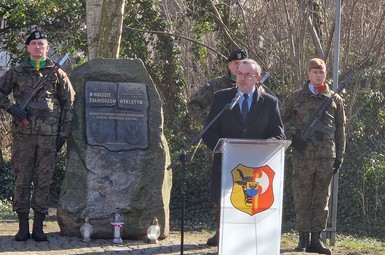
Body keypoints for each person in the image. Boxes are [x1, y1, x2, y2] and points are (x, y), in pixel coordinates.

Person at [0, 29, 76, 242]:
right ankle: (22, 228)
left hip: (48, 138)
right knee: (22, 180)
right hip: (23, 136)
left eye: (41, 44)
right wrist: (11, 108)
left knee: (44, 181)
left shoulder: (57, 72)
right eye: (33, 44)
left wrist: (63, 133)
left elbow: (69, 103)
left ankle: (39, 228)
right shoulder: (16, 72)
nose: (37, 47)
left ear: (47, 47)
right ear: (27, 48)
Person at [201, 58, 286, 246]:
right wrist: (224, 148)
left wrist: (264, 147)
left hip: (256, 172)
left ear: (258, 78)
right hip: (227, 168)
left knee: (248, 217)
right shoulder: (222, 98)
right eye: (239, 73)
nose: (242, 78)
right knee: (228, 219)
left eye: (248, 75)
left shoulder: (270, 102)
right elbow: (209, 132)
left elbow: (278, 135)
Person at [280, 58, 346, 254]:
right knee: (301, 196)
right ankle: (303, 238)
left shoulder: (334, 99)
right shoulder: (296, 97)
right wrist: (293, 138)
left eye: (322, 72)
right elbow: (279, 121)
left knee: (321, 198)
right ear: (308, 73)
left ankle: (316, 239)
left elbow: (341, 130)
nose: (319, 75)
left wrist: (339, 156)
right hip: (302, 157)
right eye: (315, 72)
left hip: (326, 156)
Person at [188, 48, 248, 126]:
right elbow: (193, 104)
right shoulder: (215, 84)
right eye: (236, 63)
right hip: (220, 134)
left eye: (242, 64)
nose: (239, 67)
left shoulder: (253, 86)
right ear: (229, 65)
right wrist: (209, 122)